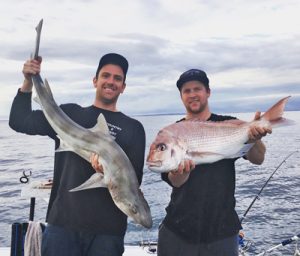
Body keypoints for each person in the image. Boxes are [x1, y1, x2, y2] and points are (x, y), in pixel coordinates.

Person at [9, 53, 146, 256]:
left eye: (118, 78)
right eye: (106, 76)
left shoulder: (133, 128)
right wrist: (29, 81)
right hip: (62, 226)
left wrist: (106, 172)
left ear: (123, 87)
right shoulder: (70, 114)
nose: (111, 82)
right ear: (95, 81)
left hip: (108, 234)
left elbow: (135, 180)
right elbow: (19, 121)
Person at [157, 69, 271, 256]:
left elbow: (258, 159)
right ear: (181, 96)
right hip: (178, 230)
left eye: (198, 89)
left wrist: (255, 137)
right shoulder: (171, 133)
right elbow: (174, 181)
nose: (193, 94)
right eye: (187, 90)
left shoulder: (230, 124)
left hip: (223, 232)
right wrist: (181, 173)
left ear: (208, 92)